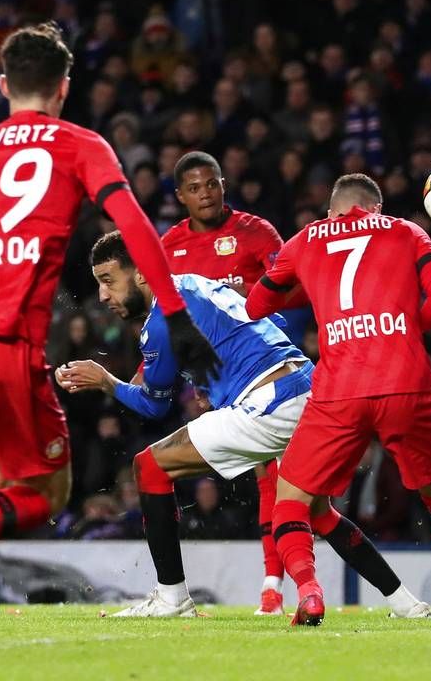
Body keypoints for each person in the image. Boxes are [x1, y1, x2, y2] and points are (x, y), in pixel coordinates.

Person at [57, 231, 431, 621]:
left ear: (140, 273)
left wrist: (106, 381)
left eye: (107, 280)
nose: (102, 295)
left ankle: (172, 598)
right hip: (309, 388)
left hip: (267, 403)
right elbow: (266, 321)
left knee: (149, 466)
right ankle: (407, 603)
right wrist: (213, 380)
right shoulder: (196, 283)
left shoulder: (161, 322)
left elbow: (153, 405)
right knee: (318, 511)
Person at [0, 23, 217, 544]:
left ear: (3, 87)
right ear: (64, 87)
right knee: (45, 493)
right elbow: (132, 227)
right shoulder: (79, 144)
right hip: (6, 348)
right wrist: (176, 315)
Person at [245, 173, 431, 626]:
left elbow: (256, 305)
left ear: (332, 212)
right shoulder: (406, 230)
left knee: (291, 499)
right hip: (406, 381)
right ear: (376, 208)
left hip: (339, 389)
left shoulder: (307, 238)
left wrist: (314, 287)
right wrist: (399, 332)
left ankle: (308, 592)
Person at [161, 150, 287, 614]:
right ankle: (171, 583)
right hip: (209, 383)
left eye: (211, 184)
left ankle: (273, 582)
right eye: (194, 188)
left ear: (223, 185)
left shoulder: (257, 233)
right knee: (175, 468)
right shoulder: (168, 248)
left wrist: (246, 296)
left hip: (262, 372)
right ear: (180, 196)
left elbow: (289, 291)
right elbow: (167, 320)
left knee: (272, 475)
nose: (206, 194)